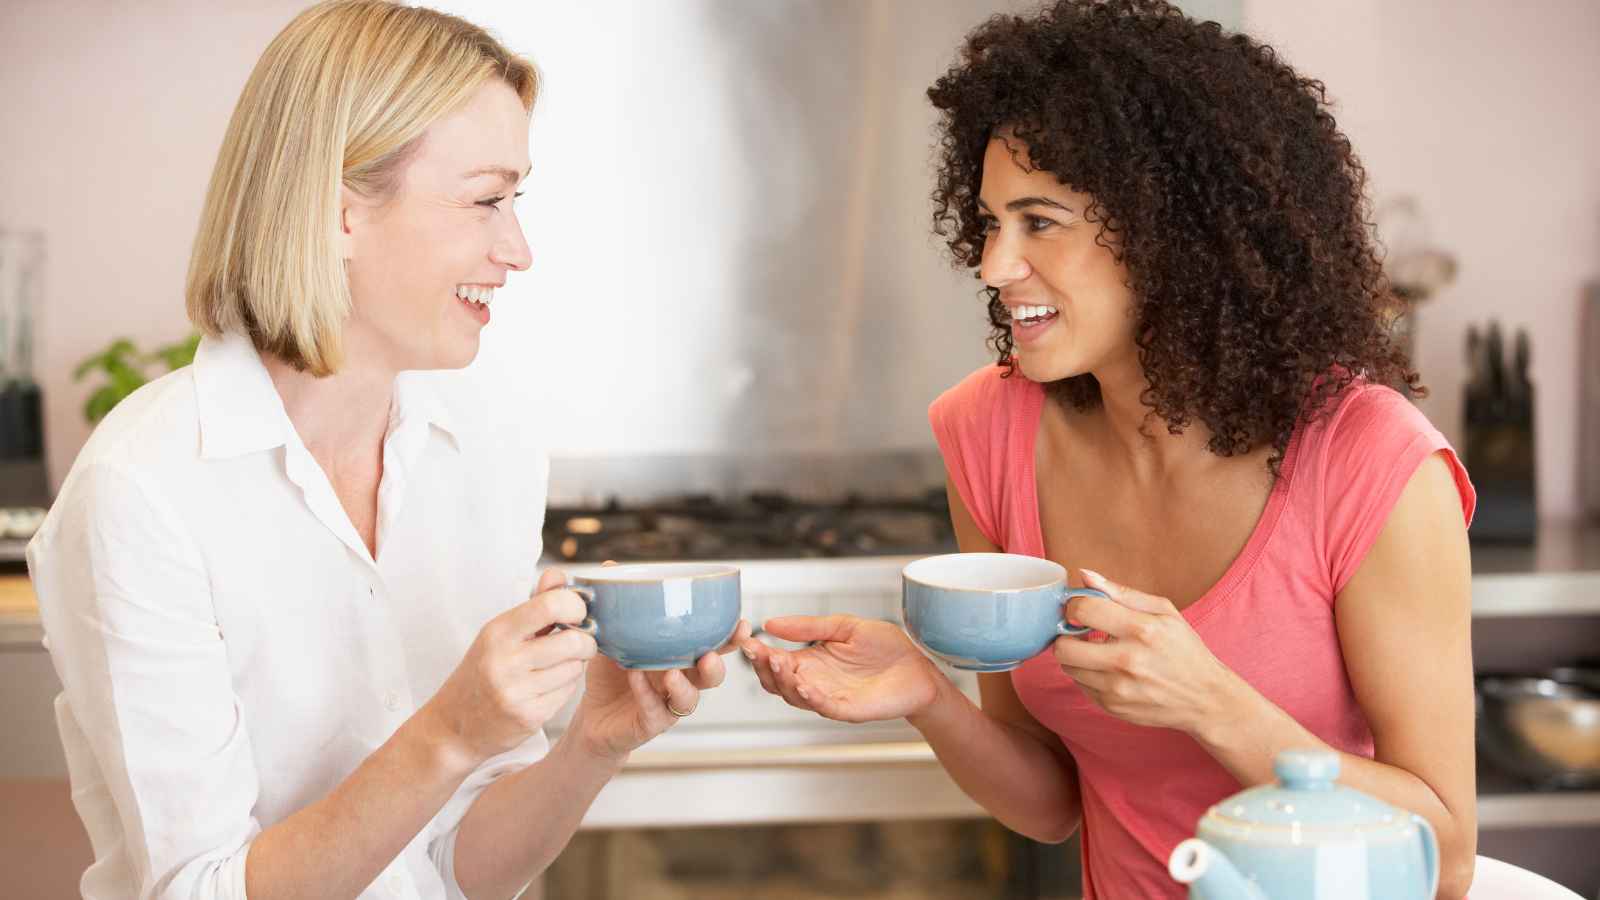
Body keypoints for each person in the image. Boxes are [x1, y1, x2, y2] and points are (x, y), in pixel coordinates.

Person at [741, 2, 1477, 897]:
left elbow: (1443, 856)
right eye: (989, 222)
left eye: (1039, 222)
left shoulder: (1371, 462)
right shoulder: (988, 431)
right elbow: (1053, 802)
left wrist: (1211, 702)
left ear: (1175, 233)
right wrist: (925, 694)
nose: (993, 265)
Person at [27, 3, 747, 897]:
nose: (518, 249)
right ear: (337, 216)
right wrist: (446, 734)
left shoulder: (491, 449)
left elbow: (458, 871)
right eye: (486, 199)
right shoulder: (141, 492)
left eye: (517, 200)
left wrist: (590, 745)